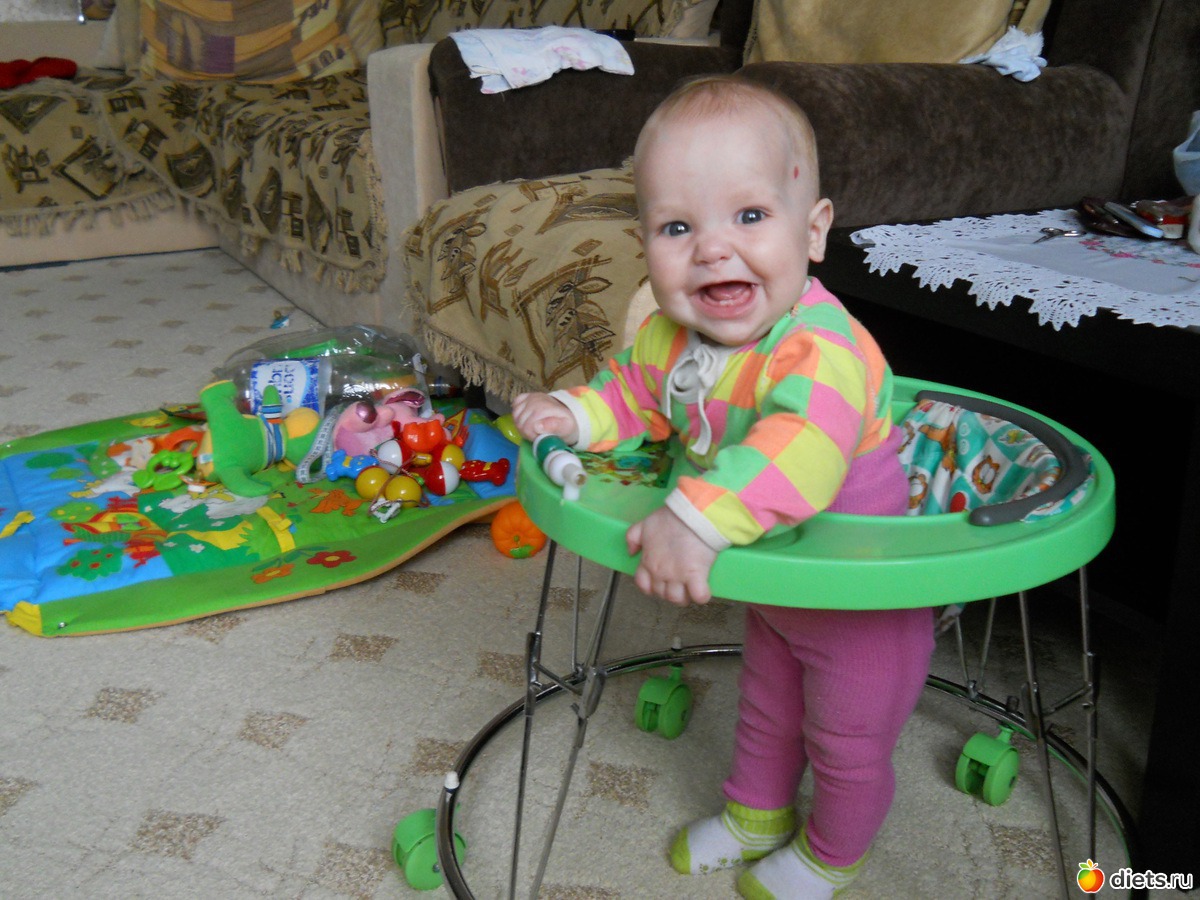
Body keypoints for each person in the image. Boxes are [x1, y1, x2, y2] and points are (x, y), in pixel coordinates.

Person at [511, 75, 934, 900]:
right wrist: (574, 413)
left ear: (813, 231)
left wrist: (694, 516)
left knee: (846, 743)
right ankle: (755, 815)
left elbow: (801, 450)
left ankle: (832, 854)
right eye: (678, 227)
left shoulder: (823, 348)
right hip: (773, 582)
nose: (712, 248)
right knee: (767, 710)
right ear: (646, 243)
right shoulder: (672, 334)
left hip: (859, 597)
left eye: (749, 216)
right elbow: (631, 395)